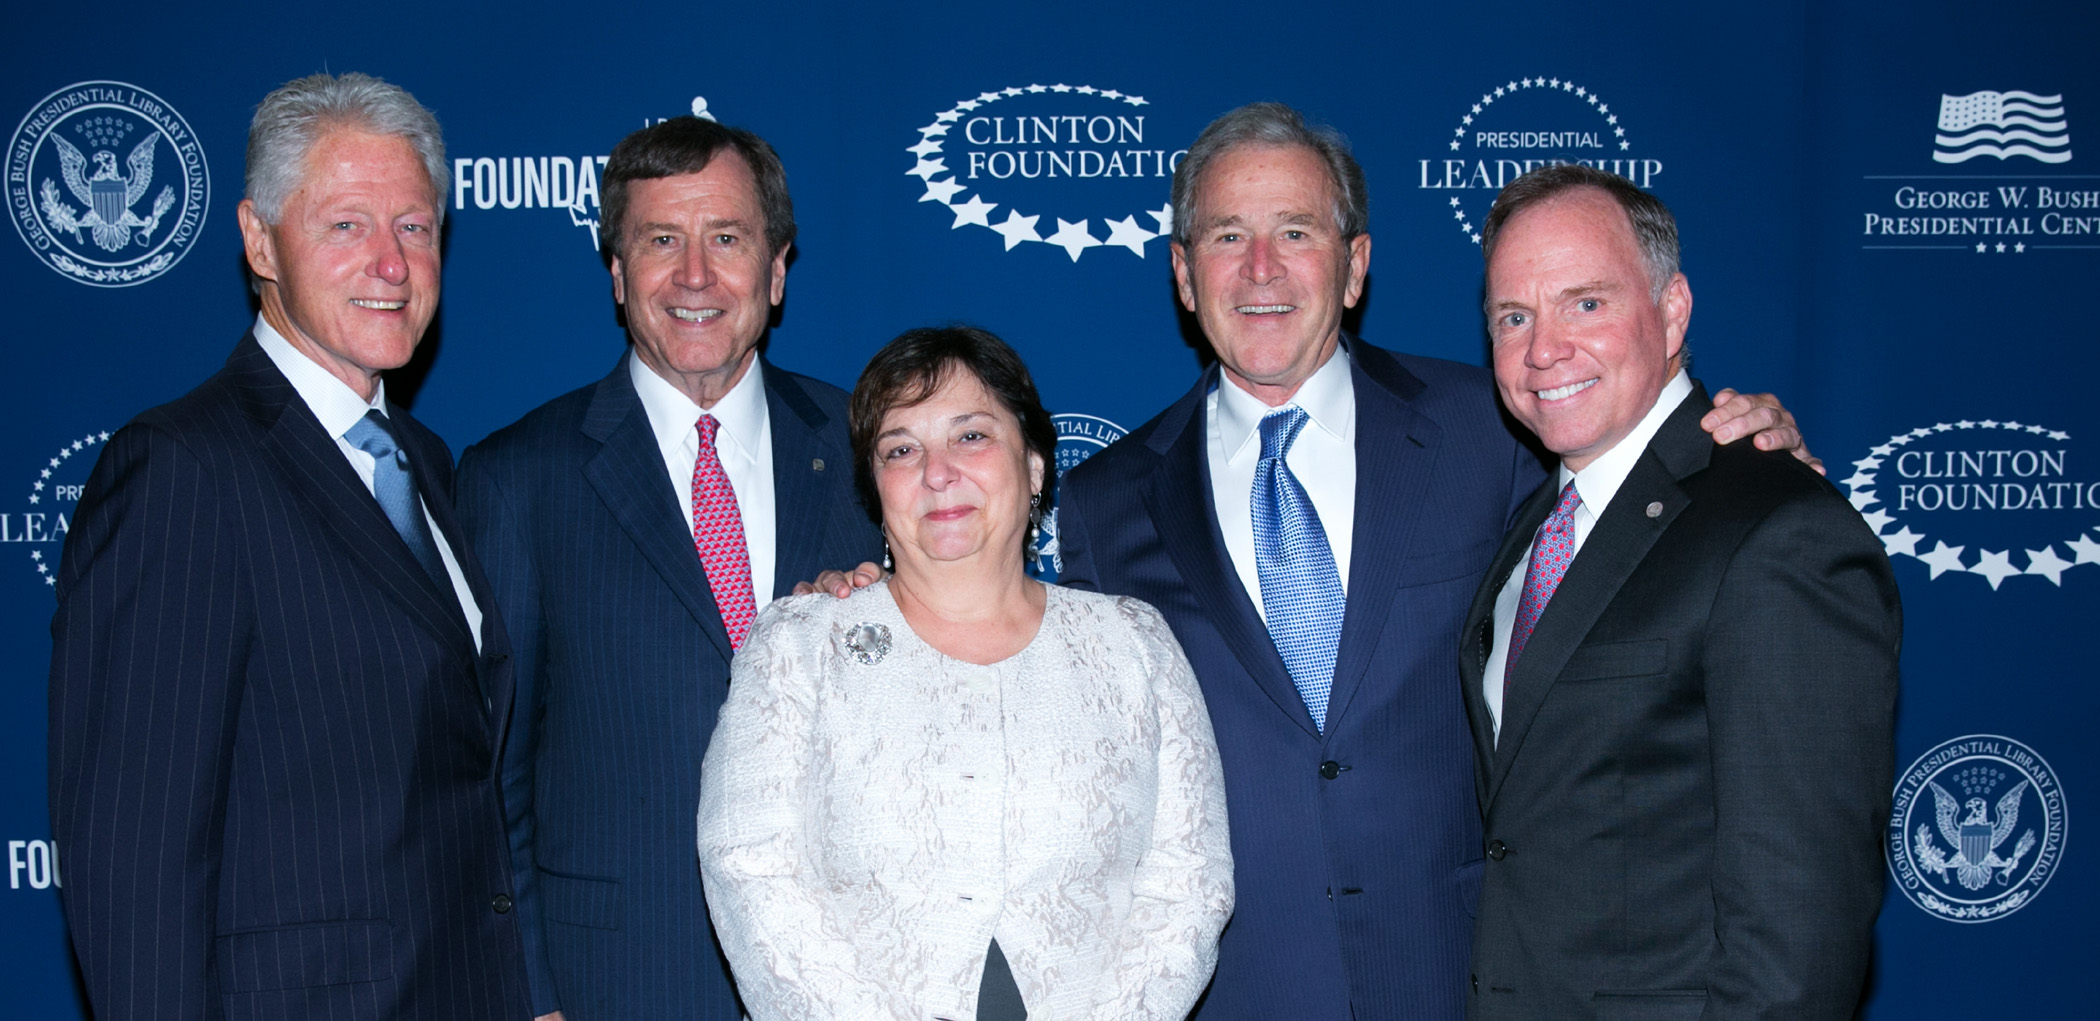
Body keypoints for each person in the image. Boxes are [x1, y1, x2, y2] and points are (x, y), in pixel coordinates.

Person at [1047, 103, 1817, 1020]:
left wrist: (1736, 448)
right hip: (1233, 991)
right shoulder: (1101, 502)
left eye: (1296, 231)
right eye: (1226, 236)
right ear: (1183, 273)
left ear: (1355, 265)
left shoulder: (1495, 426)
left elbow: (1642, 510)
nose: (1262, 268)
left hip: (1471, 980)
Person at [48, 72, 531, 1019]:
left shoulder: (423, 459)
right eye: (347, 224)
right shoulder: (184, 470)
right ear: (259, 240)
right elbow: (135, 865)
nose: (390, 263)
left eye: (415, 226)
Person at [454, 116, 881, 1020]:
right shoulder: (516, 480)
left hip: (854, 980)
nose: (695, 276)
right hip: (614, 984)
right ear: (616, 273)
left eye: (726, 239)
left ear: (776, 269)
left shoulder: (874, 453)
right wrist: (530, 997)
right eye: (660, 241)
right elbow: (488, 778)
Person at [1458, 163, 1899, 1018]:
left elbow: (1797, 937)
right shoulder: (1535, 526)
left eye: (1586, 303)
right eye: (1514, 316)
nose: (1544, 348)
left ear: (1671, 311)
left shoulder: (1779, 534)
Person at [698, 326, 1233, 1021]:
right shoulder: (798, 647)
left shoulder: (1135, 643)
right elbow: (750, 867)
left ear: (1036, 463)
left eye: (971, 436)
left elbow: (1189, 883)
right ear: (876, 488)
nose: (937, 471)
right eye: (900, 449)